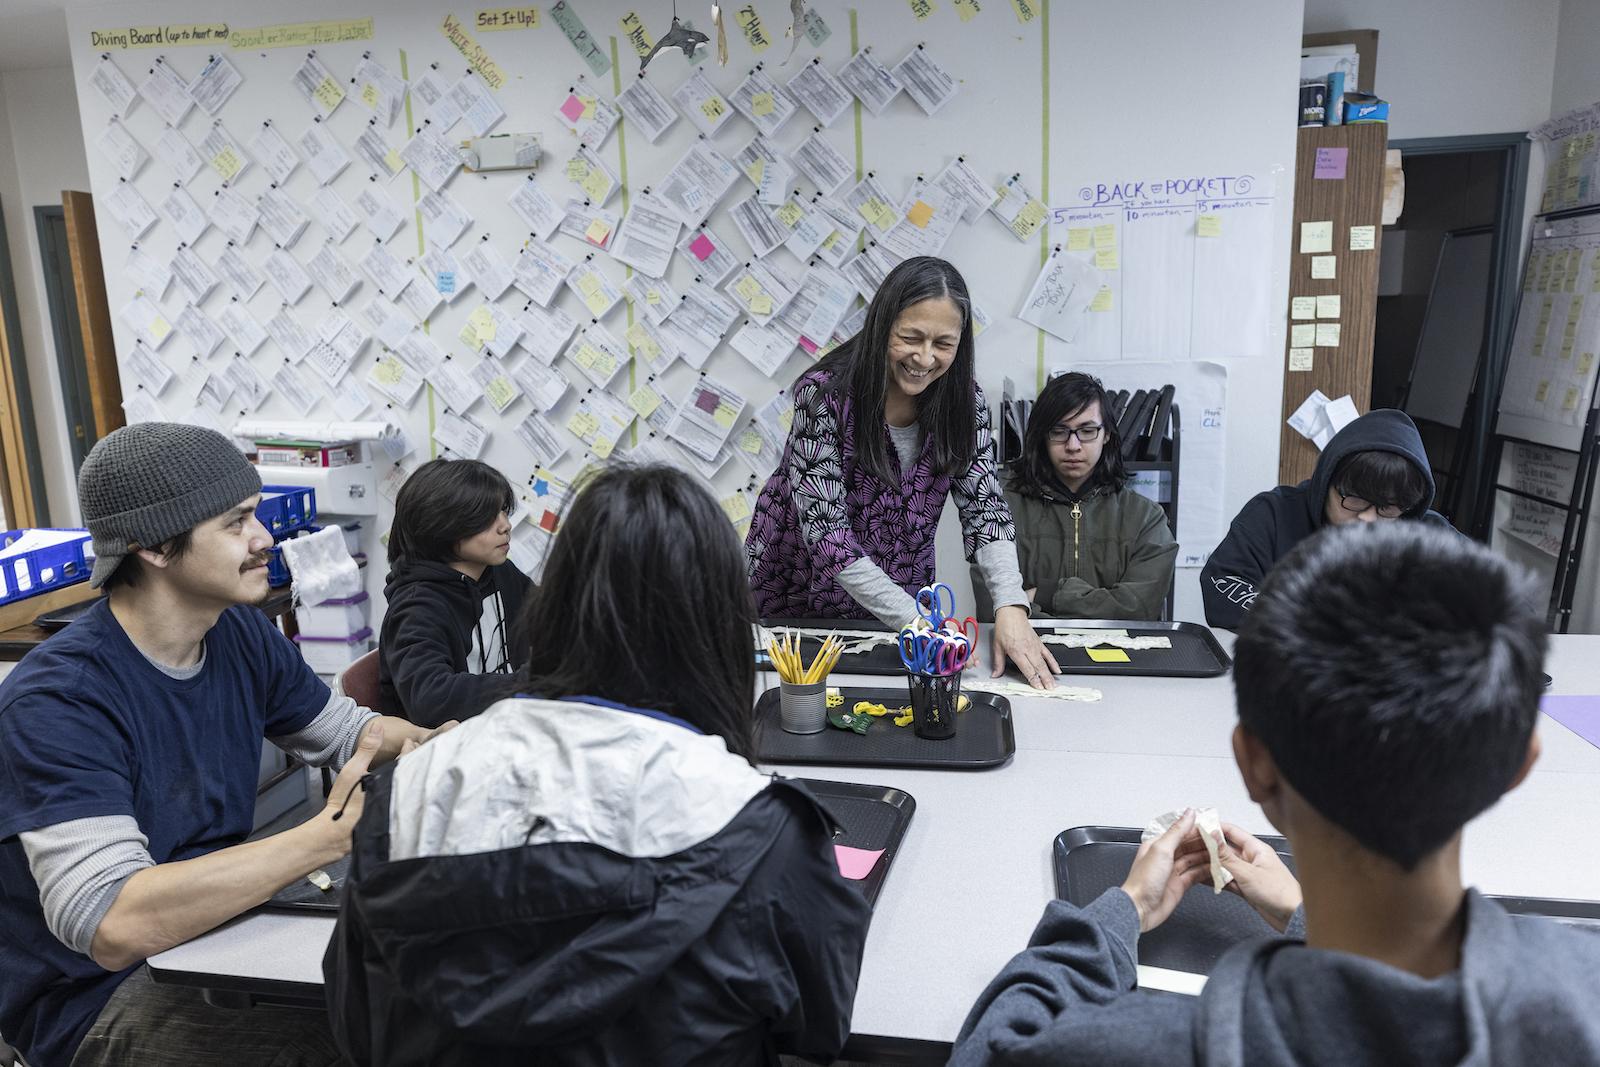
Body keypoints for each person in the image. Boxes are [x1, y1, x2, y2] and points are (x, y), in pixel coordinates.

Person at [949, 521, 1600, 1066]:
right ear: (1518, 763)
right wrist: (1304, 911)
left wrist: (1120, 910)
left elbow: (995, 1039)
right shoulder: (1584, 991)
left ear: (1253, 763)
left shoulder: (1146, 1045)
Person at [327, 463, 873, 1066]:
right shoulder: (762, 826)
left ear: (555, 606)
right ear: (717, 626)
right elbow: (821, 1030)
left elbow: (356, 1022)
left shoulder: (404, 798)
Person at [0, 423, 453, 1067]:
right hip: (97, 999)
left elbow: (351, 734)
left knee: (425, 1009)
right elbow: (111, 921)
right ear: (155, 546)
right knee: (348, 1049)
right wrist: (325, 838)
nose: (265, 538)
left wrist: (444, 745)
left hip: (220, 937)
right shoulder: (61, 699)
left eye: (258, 514)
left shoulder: (238, 631)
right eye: (236, 522)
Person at [747, 256, 1060, 688]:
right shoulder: (824, 396)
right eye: (910, 337)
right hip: (800, 594)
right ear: (882, 327)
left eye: (944, 344)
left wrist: (1010, 608)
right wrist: (917, 621)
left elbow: (985, 508)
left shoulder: (964, 403)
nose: (925, 358)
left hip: (901, 600)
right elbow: (828, 536)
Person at [1201, 407, 1454, 629]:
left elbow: (1484, 601)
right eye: (1355, 499)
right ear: (1326, 482)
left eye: (1386, 508)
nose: (1367, 517)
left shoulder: (1431, 536)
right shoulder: (1273, 515)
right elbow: (1224, 585)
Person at [976, 372, 1176, 620]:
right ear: (1042, 437)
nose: (1073, 445)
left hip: (1118, 657)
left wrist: (1047, 595)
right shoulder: (998, 511)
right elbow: (993, 608)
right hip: (1027, 651)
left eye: (1087, 430)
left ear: (1107, 435)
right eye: (1059, 431)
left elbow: (1138, 609)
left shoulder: (1147, 518)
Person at [378, 458, 535, 726]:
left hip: (502, 727)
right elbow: (431, 700)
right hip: (443, 750)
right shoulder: (417, 609)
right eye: (487, 518)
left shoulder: (498, 571)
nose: (505, 526)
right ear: (442, 525)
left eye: (503, 512)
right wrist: (532, 682)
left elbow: (553, 615)